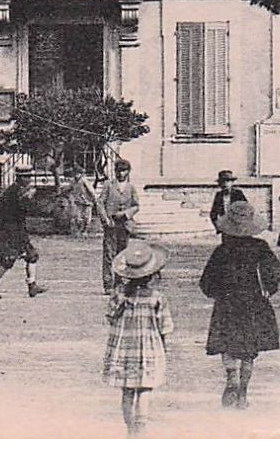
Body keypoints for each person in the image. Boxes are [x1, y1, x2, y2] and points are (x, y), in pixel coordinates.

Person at [199, 200, 280, 409]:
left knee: (227, 344)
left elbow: (207, 281)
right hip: (253, 304)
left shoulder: (222, 250)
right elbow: (276, 274)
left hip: (227, 303)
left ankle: (231, 378)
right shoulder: (260, 248)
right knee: (249, 349)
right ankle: (243, 392)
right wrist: (268, 290)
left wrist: (215, 293)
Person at [103, 241, 174, 436]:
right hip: (148, 350)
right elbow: (164, 328)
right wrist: (164, 350)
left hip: (124, 350)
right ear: (154, 275)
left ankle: (130, 430)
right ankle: (141, 429)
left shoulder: (119, 296)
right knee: (144, 390)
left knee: (127, 391)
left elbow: (109, 317)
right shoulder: (157, 298)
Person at [0, 171, 47, 299]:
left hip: (17, 230)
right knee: (8, 259)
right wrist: (28, 199)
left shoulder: (19, 191)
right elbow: (19, 209)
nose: (28, 179)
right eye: (25, 177)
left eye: (29, 176)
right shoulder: (13, 192)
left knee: (32, 255)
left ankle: (32, 285)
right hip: (7, 231)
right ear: (19, 178)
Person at [98, 159, 142, 294]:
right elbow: (100, 203)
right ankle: (108, 284)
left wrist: (126, 214)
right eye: (119, 171)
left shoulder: (131, 188)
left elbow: (136, 206)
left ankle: (120, 282)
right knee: (108, 254)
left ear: (128, 172)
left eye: (124, 171)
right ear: (115, 172)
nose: (121, 174)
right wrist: (105, 219)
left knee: (122, 254)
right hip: (111, 224)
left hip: (124, 224)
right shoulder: (109, 185)